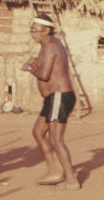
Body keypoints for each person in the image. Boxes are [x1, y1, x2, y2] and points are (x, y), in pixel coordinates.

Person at [22, 13, 79, 190]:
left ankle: (71, 180)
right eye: (31, 30)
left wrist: (30, 67)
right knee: (38, 132)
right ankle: (54, 171)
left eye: (35, 30)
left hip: (59, 97)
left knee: (56, 139)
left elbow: (45, 75)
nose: (33, 34)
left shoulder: (50, 47)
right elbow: (48, 67)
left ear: (46, 30)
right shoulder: (48, 45)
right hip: (53, 99)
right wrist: (37, 62)